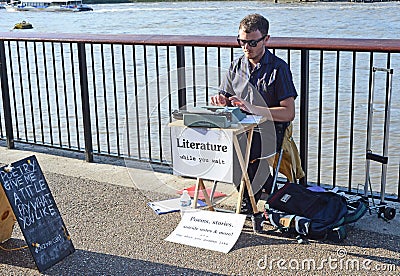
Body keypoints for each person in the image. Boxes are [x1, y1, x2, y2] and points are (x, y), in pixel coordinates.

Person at [210, 13, 298, 214]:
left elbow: (288, 113)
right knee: (221, 147)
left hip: (270, 130)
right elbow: (224, 98)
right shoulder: (235, 66)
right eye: (241, 42)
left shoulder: (279, 69)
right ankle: (262, 187)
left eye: (252, 43)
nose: (246, 48)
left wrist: (253, 108)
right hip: (240, 128)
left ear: (266, 39)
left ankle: (248, 201)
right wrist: (219, 101)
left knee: (242, 150)